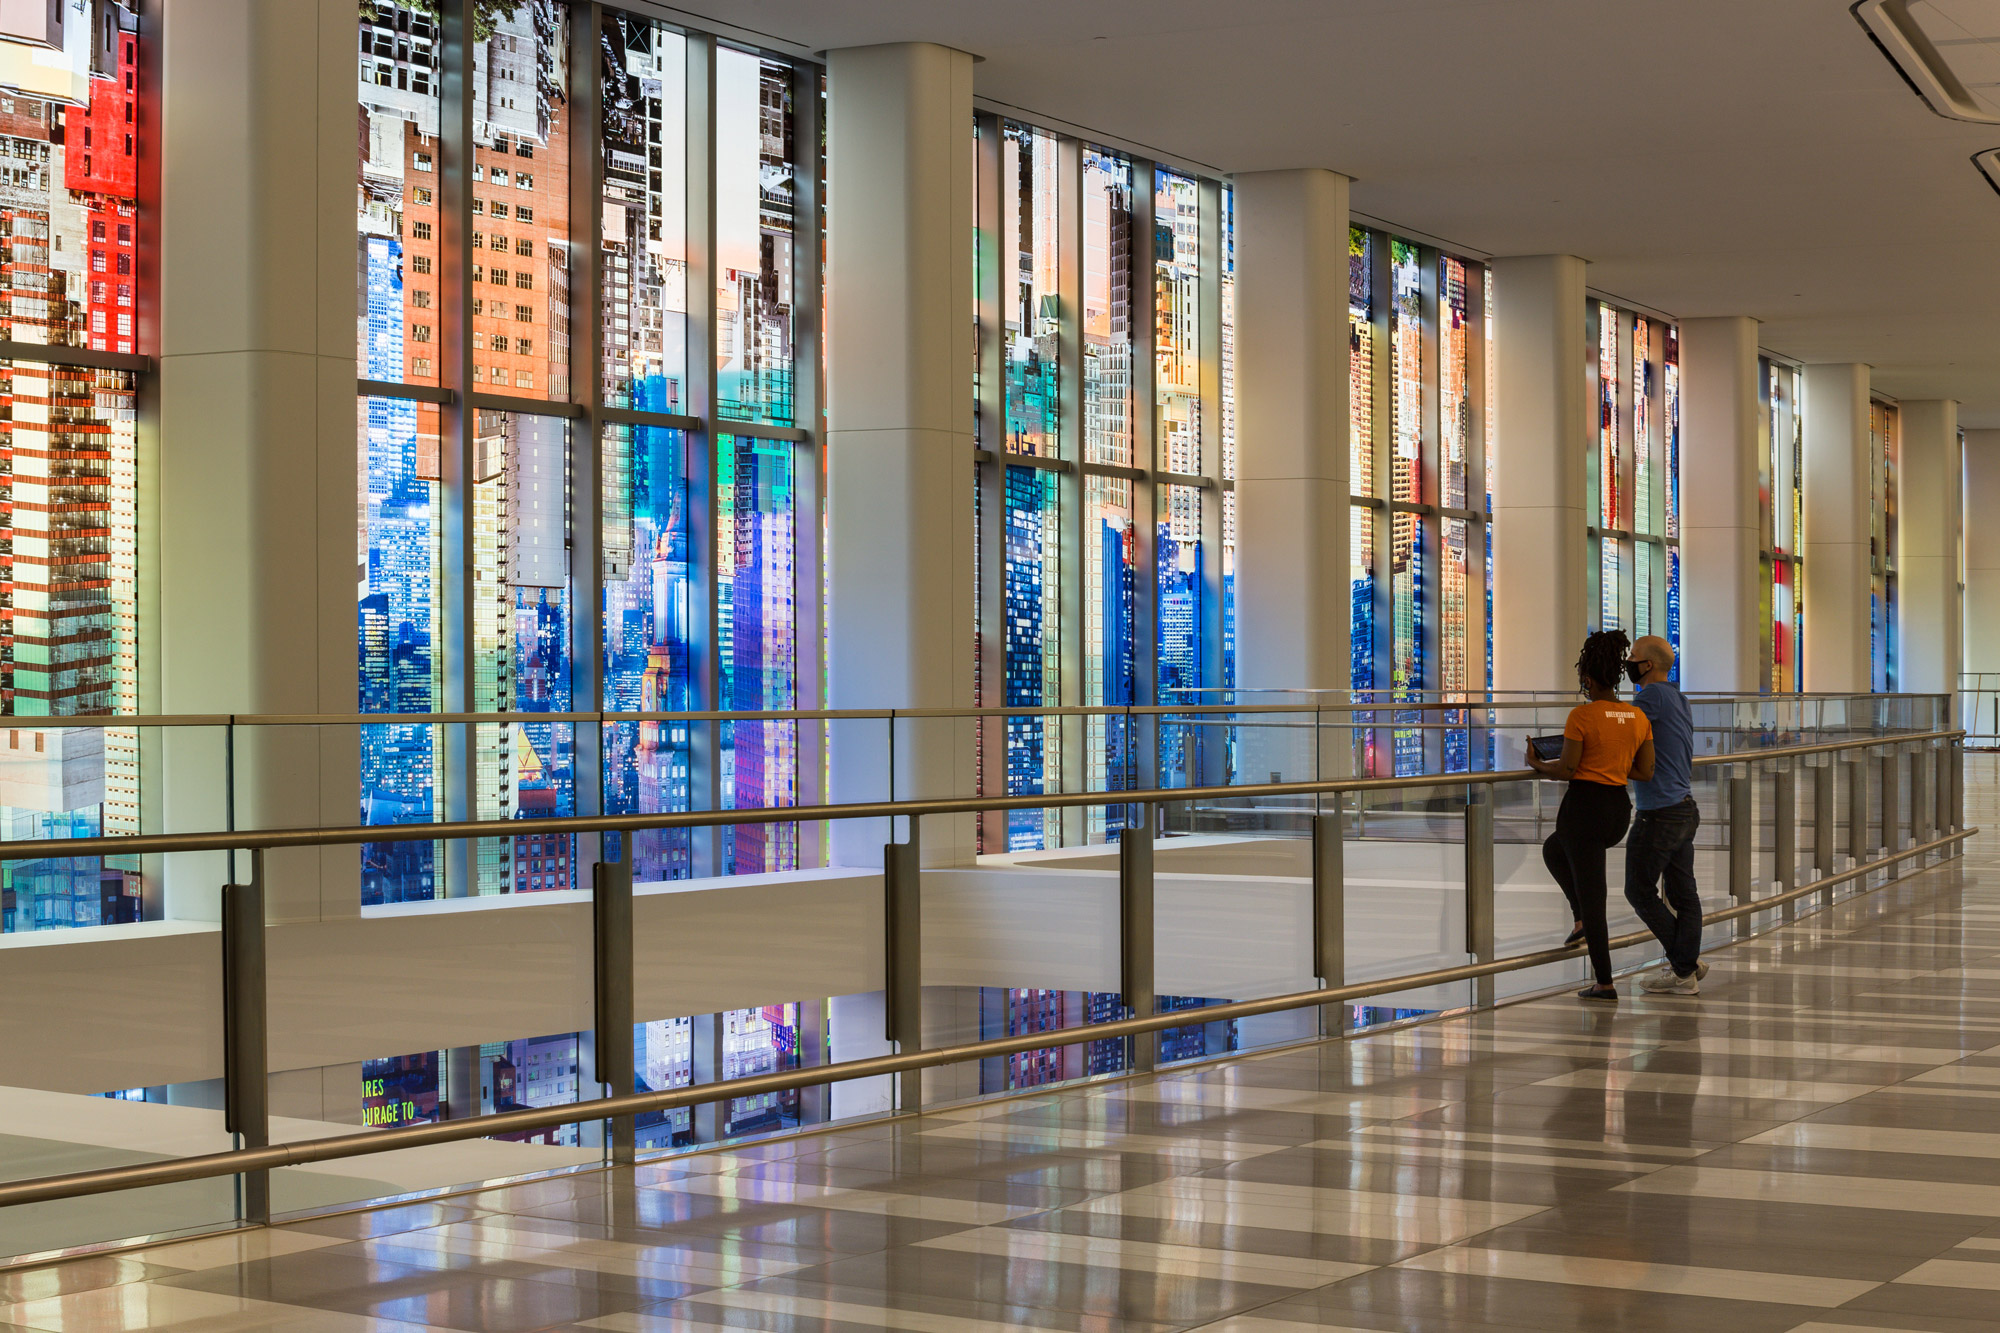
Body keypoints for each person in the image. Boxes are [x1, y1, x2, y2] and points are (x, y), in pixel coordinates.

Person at [1526, 629, 1655, 1002]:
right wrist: (1610, 762)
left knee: (1593, 894)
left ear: (1586, 678)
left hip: (1584, 811)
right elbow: (1645, 771)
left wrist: (1537, 763)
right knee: (1553, 850)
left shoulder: (1581, 716)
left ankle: (1604, 982)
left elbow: (1567, 770)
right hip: (1618, 811)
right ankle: (1580, 917)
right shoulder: (1636, 716)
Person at [1622, 635, 1707, 995]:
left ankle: (1684, 966)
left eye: (1633, 656)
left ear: (1649, 665)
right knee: (1684, 893)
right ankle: (1686, 967)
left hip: (1659, 814)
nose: (1629, 661)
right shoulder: (1677, 696)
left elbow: (1620, 734)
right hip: (1684, 808)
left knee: (1639, 891)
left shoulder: (1650, 697)